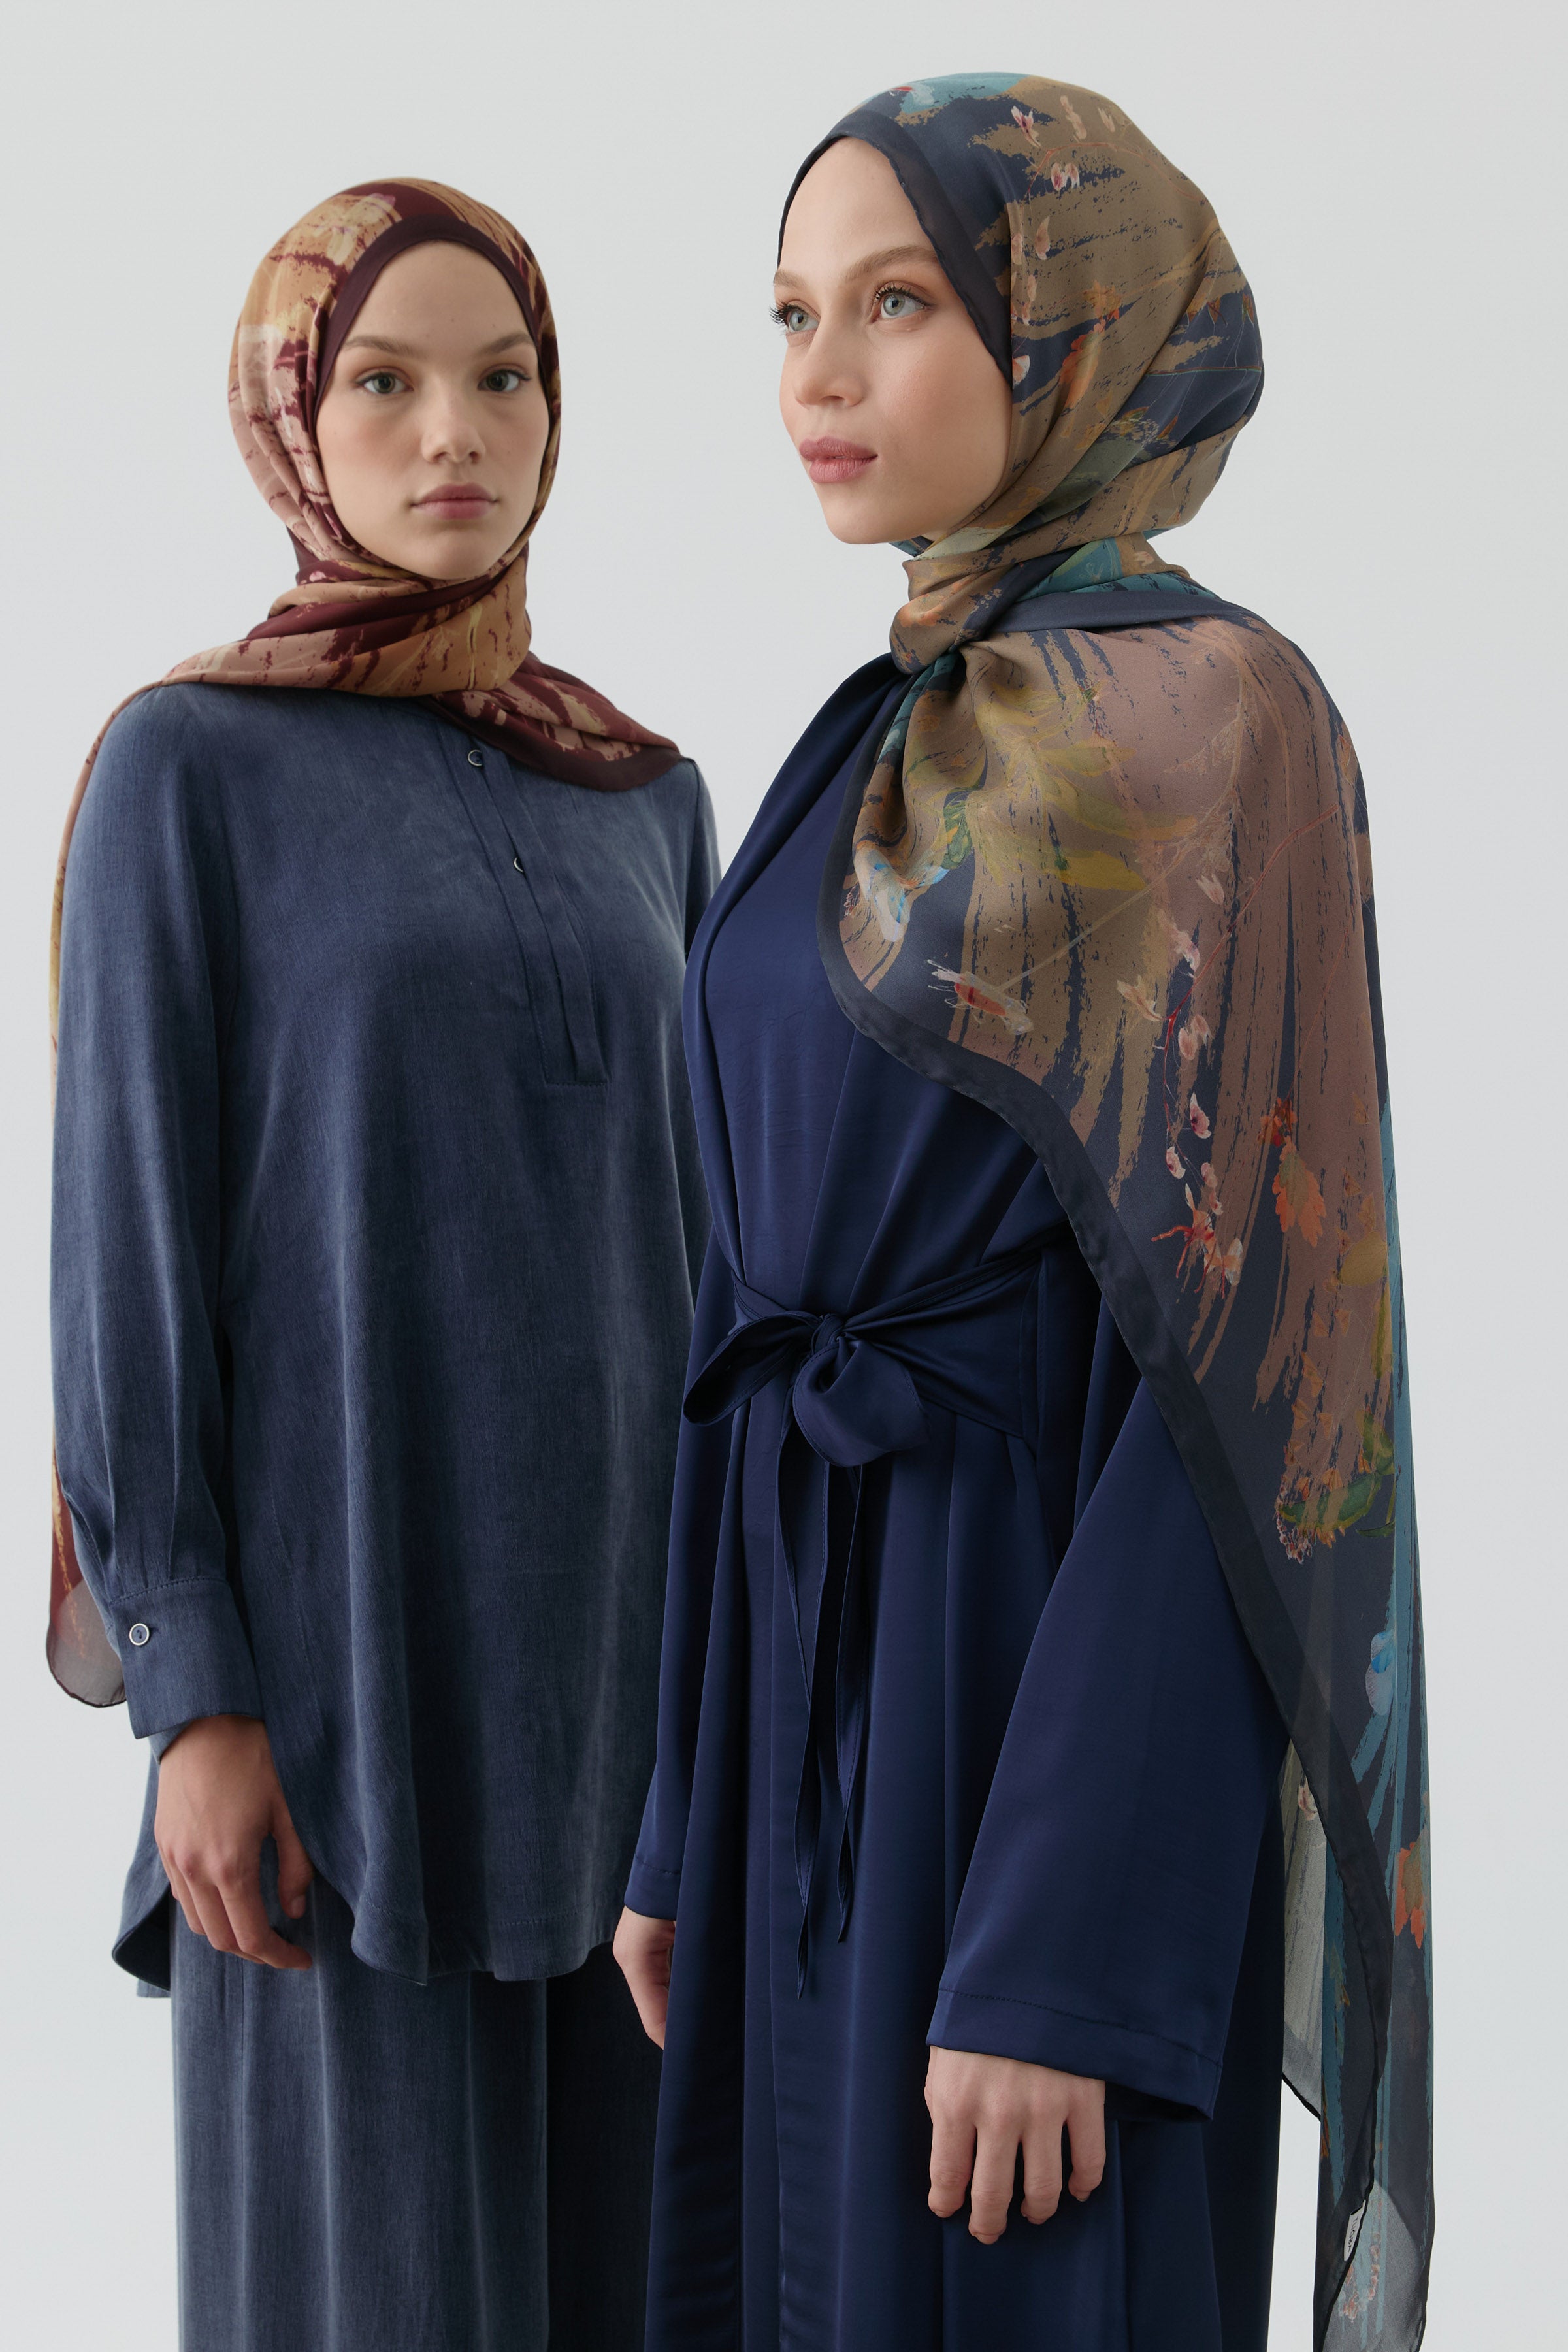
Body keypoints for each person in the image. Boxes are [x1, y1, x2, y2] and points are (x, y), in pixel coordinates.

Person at [615, 77, 1431, 2352]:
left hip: (1023, 1703)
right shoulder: (870, 735)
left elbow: (1257, 1390)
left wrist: (1072, 1953)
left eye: (897, 304)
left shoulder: (1218, 727)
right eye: (791, 313)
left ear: (1068, 326)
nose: (822, 375)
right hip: (797, 1706)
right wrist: (687, 1806)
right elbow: (740, 1288)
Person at [49, 178, 717, 2352]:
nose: (458, 433)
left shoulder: (647, 798)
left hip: (632, 1720)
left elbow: (707, 1260)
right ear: (291, 418)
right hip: (344, 1714)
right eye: (387, 383)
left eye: (505, 378)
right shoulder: (190, 770)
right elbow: (125, 1249)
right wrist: (196, 1698)